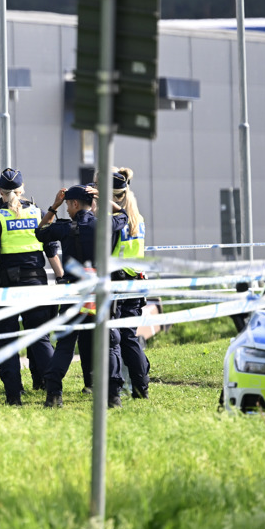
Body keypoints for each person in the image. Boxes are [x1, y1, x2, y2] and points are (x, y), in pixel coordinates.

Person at [35, 184, 127, 408]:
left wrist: (53, 207)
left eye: (67, 204)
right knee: (109, 343)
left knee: (66, 345)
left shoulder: (65, 228)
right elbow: (123, 216)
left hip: (73, 293)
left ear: (75, 204)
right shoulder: (104, 225)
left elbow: (40, 232)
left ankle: (54, 394)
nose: (66, 209)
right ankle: (113, 396)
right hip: (99, 293)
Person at [0, 168, 57, 405]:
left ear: (0, 191)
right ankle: (54, 393)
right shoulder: (38, 214)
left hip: (7, 287)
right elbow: (51, 249)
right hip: (36, 282)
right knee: (40, 338)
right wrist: (61, 277)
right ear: (22, 189)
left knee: (6, 339)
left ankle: (14, 396)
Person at [111, 167, 152, 399]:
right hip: (136, 280)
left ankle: (137, 386)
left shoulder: (116, 221)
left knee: (121, 336)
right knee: (129, 336)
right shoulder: (138, 218)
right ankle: (140, 384)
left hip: (120, 282)